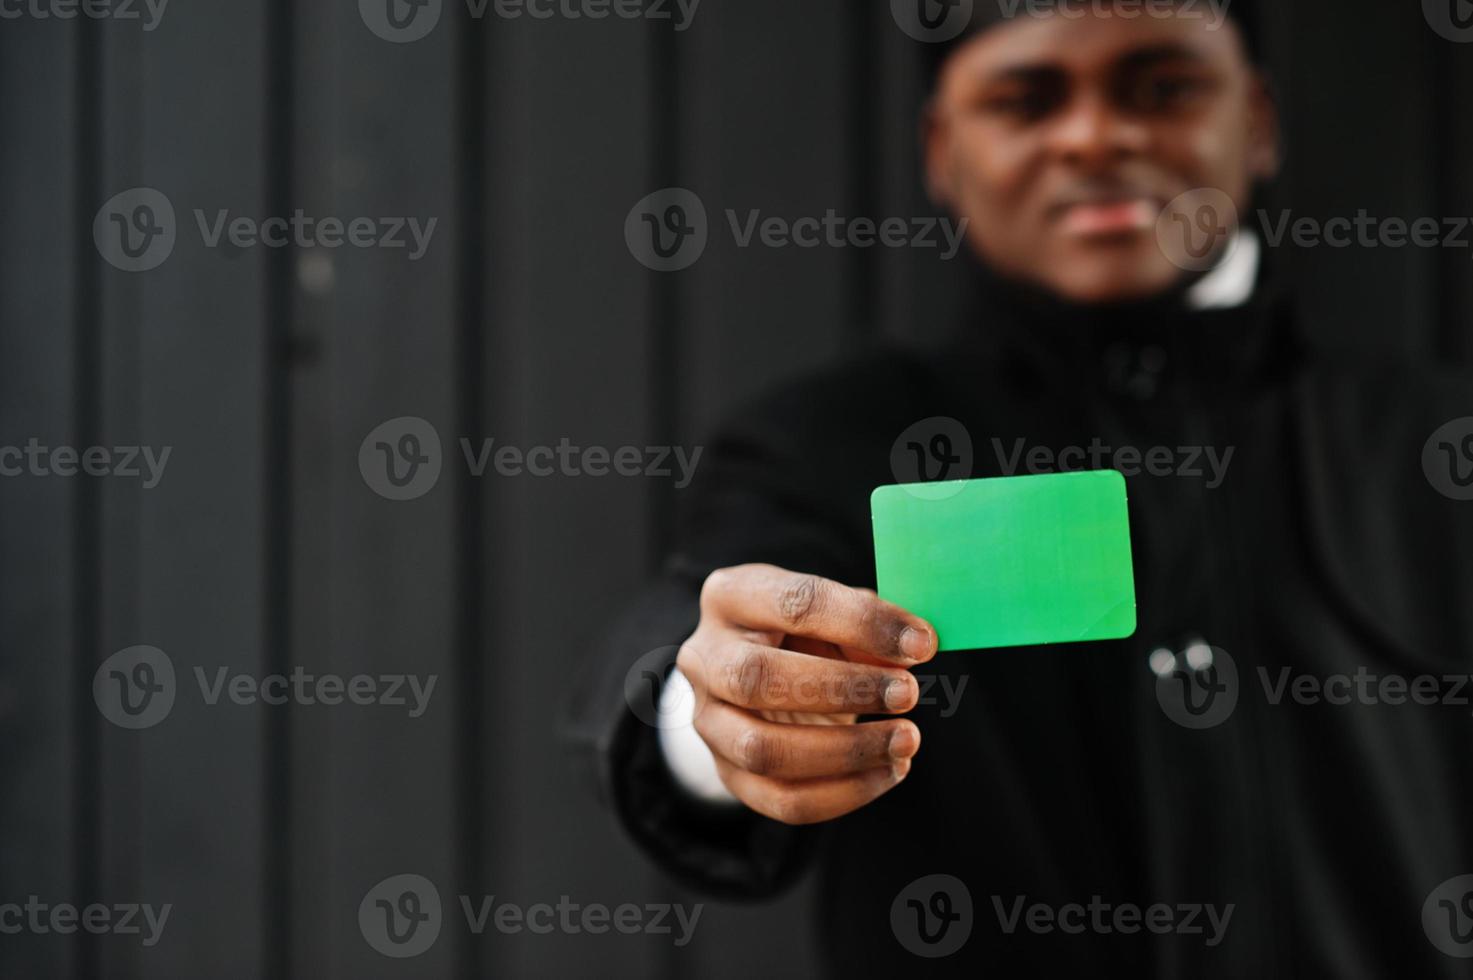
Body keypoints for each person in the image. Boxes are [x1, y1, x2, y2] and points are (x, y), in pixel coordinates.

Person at [565, 2, 1473, 974]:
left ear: (1255, 120)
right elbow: (703, 612)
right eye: (1027, 99)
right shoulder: (829, 442)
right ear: (943, 149)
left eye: (1162, 87)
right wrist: (713, 711)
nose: (1095, 135)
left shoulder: (1437, 443)